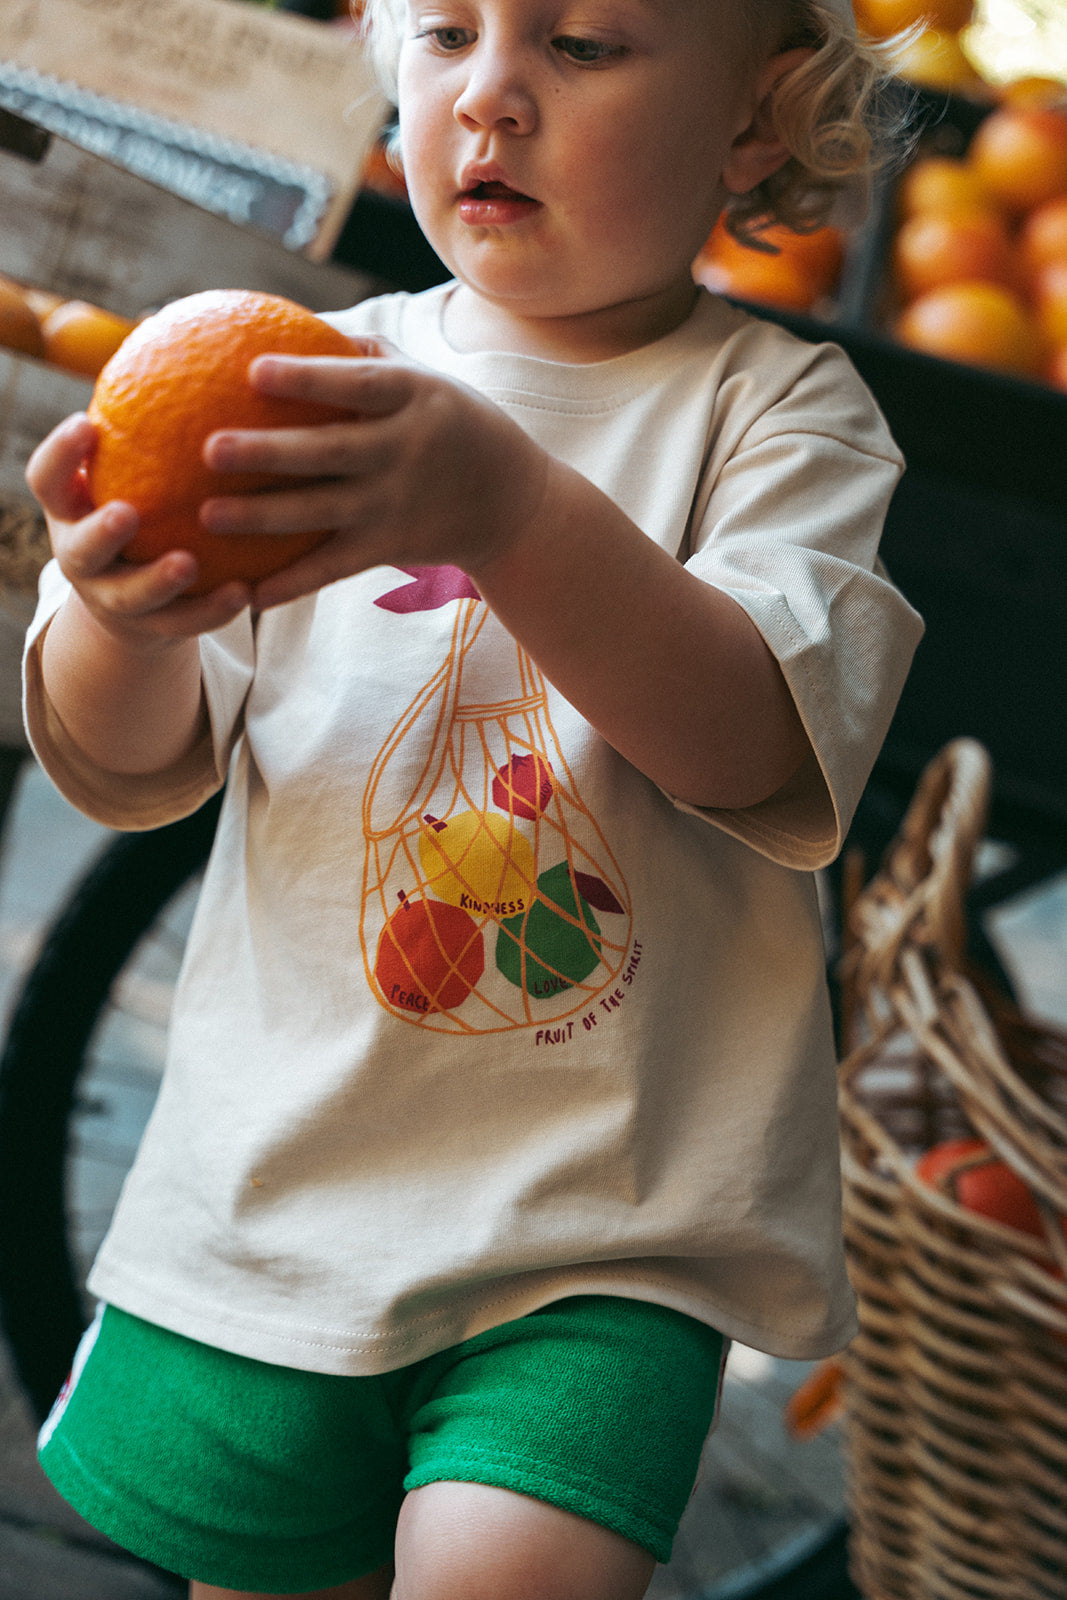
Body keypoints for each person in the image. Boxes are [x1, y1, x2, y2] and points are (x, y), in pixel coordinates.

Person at [24, 0, 923, 1596]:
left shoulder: (779, 415)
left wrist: (503, 507)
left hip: (602, 1228)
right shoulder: (309, 373)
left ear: (757, 122)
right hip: (284, 1190)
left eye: (581, 44)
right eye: (447, 31)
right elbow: (134, 763)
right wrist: (119, 620)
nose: (492, 93)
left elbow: (748, 743)